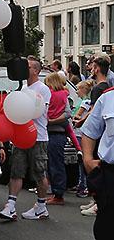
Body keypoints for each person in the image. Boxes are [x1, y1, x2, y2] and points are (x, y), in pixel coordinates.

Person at [0, 56, 52, 221]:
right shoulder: (22, 89)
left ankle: (41, 207)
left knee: (39, 172)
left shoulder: (43, 89)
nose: (24, 69)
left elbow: (41, 112)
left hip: (38, 137)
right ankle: (10, 206)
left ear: (36, 70)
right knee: (16, 171)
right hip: (20, 137)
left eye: (28, 67)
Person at [80, 86, 114, 240]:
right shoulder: (108, 98)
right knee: (108, 237)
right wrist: (88, 158)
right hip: (111, 175)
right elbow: (89, 132)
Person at [45, 71, 70, 205]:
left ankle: (58, 194)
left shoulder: (50, 96)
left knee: (54, 165)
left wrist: (50, 120)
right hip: (60, 133)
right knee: (55, 164)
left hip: (53, 133)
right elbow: (67, 113)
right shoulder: (64, 95)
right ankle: (57, 192)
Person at [72, 80, 94, 203]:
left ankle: (83, 186)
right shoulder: (86, 102)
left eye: (78, 89)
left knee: (81, 161)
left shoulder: (85, 102)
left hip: (80, 134)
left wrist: (73, 117)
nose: (76, 91)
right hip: (82, 134)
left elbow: (77, 116)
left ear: (83, 90)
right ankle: (83, 184)